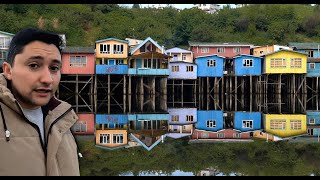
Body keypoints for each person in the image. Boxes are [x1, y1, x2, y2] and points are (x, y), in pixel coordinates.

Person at [0, 28, 81, 176]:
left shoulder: (62, 118)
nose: (47, 79)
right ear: (8, 70)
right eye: (34, 65)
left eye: (54, 68)